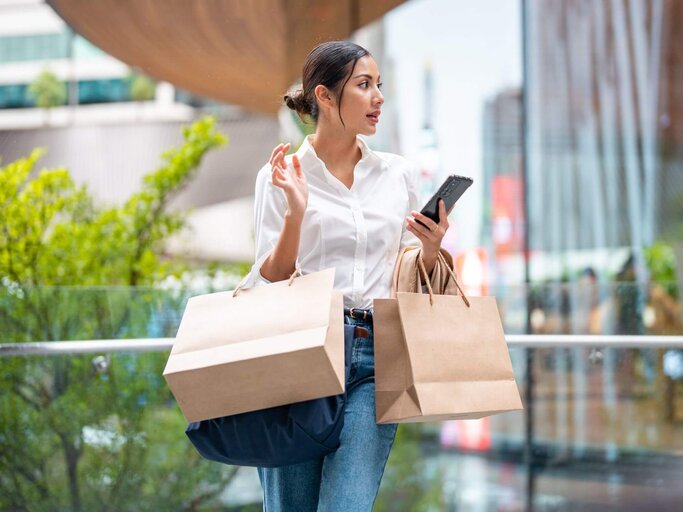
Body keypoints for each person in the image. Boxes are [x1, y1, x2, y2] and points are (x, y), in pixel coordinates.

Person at [243, 40, 453, 512]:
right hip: (301, 354)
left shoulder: (396, 174)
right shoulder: (280, 175)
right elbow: (268, 282)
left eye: (379, 85)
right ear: (325, 96)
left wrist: (431, 246)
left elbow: (407, 273)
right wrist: (296, 214)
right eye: (364, 85)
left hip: (376, 356)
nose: (378, 96)